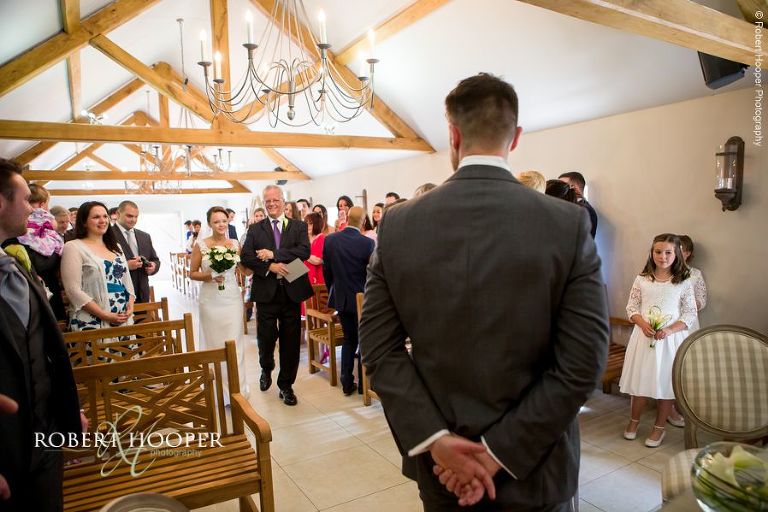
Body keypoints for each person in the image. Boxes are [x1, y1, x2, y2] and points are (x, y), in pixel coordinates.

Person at [359, 73, 608, 511]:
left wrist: (437, 442)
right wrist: (499, 453)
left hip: (443, 470)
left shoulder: (397, 223)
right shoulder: (567, 224)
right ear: (515, 138)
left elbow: (379, 349)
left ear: (452, 134)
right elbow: (583, 364)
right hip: (537, 467)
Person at [0, 158, 82, 512]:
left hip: (45, 438)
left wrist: (67, 409)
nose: (32, 211)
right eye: (24, 200)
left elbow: (44, 346)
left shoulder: (15, 265)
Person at [619, 233, 697, 448]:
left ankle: (659, 428)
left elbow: (690, 313)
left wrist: (670, 329)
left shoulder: (684, 281)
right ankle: (633, 422)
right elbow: (631, 308)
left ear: (677, 254)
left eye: (668, 252)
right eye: (658, 252)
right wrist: (643, 324)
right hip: (644, 337)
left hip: (669, 339)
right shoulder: (642, 278)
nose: (663, 256)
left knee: (665, 383)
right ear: (652, 253)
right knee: (640, 381)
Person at [241, 185, 313, 406]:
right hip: (266, 291)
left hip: (291, 290)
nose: (272, 204)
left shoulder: (298, 226)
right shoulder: (255, 229)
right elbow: (246, 257)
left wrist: (274, 255)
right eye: (268, 201)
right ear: (264, 203)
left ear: (283, 201)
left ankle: (286, 386)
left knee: (291, 342)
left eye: (275, 200)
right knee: (266, 337)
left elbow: (304, 252)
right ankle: (266, 367)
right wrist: (269, 267)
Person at [190, 206, 251, 404]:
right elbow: (192, 273)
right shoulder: (201, 244)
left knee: (235, 344)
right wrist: (209, 276)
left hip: (231, 299)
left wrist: (257, 263)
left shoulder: (234, 243)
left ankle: (237, 389)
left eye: (224, 221)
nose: (221, 225)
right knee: (214, 343)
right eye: (216, 221)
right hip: (210, 301)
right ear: (210, 224)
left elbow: (243, 269)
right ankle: (217, 391)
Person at [323, 207, 375, 396]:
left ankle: (346, 382)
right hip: (363, 299)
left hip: (342, 298)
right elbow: (371, 274)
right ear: (362, 222)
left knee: (348, 339)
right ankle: (363, 384)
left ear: (347, 219)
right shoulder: (367, 243)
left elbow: (327, 272)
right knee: (364, 341)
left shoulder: (330, 240)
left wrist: (334, 292)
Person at [61, 202, 135, 332]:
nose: (103, 221)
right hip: (92, 320)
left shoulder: (115, 247)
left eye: (105, 216)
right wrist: (103, 314)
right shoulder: (73, 247)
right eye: (96, 217)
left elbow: (127, 281)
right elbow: (73, 290)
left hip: (122, 319)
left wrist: (130, 305)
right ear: (84, 221)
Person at [16, 184, 66, 320]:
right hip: (36, 288)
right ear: (43, 204)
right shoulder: (44, 218)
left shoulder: (18, 226)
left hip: (45, 287)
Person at [110, 200, 160, 304]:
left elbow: (155, 259)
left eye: (136, 216)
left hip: (143, 294)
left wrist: (153, 266)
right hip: (119, 294)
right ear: (118, 214)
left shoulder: (145, 236)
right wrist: (126, 266)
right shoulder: (107, 235)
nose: (133, 220)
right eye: (129, 216)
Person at [559, 171, 598, 238]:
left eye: (562, 186)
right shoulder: (574, 207)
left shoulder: (584, 210)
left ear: (574, 188)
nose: (558, 189)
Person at [678, 235, 707, 312]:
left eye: (678, 250)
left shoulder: (695, 274)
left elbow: (701, 299)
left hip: (688, 316)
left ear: (687, 253)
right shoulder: (662, 272)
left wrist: (692, 305)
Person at [304, 212, 326, 286]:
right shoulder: (303, 239)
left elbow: (317, 260)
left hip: (318, 278)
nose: (307, 226)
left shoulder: (321, 238)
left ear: (316, 224)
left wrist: (302, 254)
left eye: (310, 223)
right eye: (306, 223)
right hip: (304, 278)